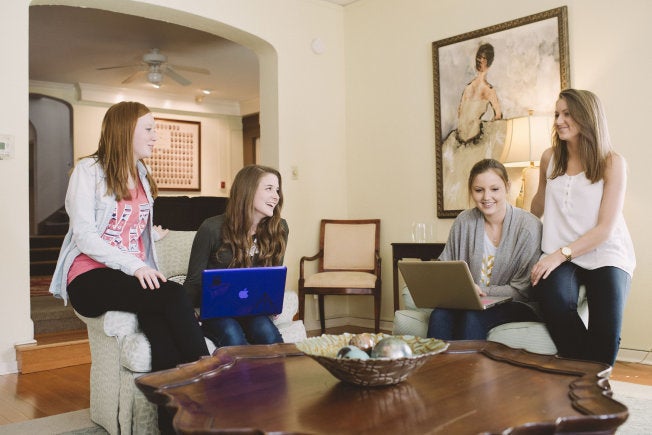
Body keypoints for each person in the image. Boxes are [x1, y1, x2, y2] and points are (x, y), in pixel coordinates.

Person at [48, 101, 209, 432]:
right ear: (124, 131)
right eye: (149, 129)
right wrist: (135, 267)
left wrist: (151, 233)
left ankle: (172, 425)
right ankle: (208, 387)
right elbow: (86, 236)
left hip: (126, 276)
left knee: (162, 332)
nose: (156, 136)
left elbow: (128, 227)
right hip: (88, 278)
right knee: (174, 296)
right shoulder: (88, 171)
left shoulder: (144, 177)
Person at [530, 89, 635, 366]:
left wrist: (559, 254)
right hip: (562, 256)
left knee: (606, 335)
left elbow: (605, 230)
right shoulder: (548, 158)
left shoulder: (612, 163)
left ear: (587, 117)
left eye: (567, 114)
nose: (559, 120)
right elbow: (537, 206)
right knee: (552, 299)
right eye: (556, 114)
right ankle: (586, 376)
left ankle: (590, 388)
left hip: (605, 253)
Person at [426, 158, 542, 340]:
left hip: (517, 305)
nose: (486, 197)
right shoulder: (464, 221)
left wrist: (479, 291)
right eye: (479, 190)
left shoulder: (528, 227)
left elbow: (522, 291)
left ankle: (470, 369)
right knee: (439, 315)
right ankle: (436, 368)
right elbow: (446, 268)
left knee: (473, 317)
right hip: (470, 302)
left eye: (494, 189)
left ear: (507, 186)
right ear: (471, 191)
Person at [184, 164, 288, 347]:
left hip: (254, 309)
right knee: (232, 334)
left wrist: (272, 301)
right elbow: (193, 283)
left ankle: (277, 374)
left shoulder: (279, 229)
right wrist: (189, 314)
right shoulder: (211, 228)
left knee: (266, 332)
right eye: (269, 189)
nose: (276, 196)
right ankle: (244, 376)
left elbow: (274, 278)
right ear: (247, 191)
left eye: (277, 190)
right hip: (218, 312)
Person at [441, 43, 509, 211]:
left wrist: (483, 128)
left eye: (484, 58)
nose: (480, 61)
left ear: (489, 62)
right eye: (479, 57)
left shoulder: (488, 90)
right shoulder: (468, 87)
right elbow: (461, 113)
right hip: (458, 139)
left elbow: (498, 115)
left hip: (474, 140)